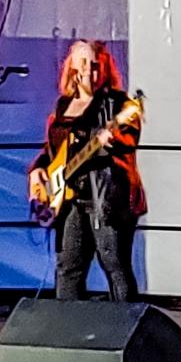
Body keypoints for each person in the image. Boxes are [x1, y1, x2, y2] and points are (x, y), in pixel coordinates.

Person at [28, 40, 147, 301]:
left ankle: (125, 328)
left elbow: (128, 143)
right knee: (68, 267)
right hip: (70, 199)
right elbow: (53, 150)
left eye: (95, 66)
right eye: (83, 65)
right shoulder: (63, 105)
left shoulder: (118, 104)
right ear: (72, 69)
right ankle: (67, 331)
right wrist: (37, 169)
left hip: (106, 196)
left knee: (115, 265)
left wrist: (109, 140)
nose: (90, 72)